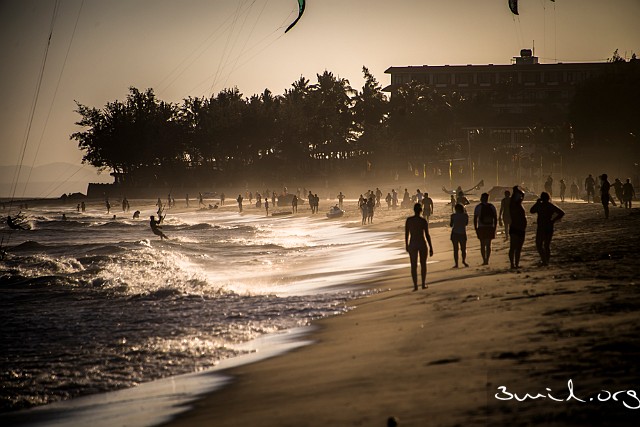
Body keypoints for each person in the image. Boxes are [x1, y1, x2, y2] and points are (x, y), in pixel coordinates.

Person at [530, 192, 564, 266]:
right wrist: (553, 220)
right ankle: (546, 261)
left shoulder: (540, 205)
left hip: (542, 227)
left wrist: (537, 203)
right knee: (546, 245)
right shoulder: (550, 205)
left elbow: (531, 210)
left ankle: (544, 260)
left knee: (539, 244)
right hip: (549, 226)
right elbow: (561, 213)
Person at [405, 203, 433, 290]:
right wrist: (431, 247)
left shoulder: (409, 220)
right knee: (423, 264)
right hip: (422, 243)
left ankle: (415, 286)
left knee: (413, 265)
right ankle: (423, 284)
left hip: (413, 243)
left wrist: (406, 244)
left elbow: (407, 234)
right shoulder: (423, 221)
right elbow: (427, 235)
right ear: (421, 211)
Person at [473, 192, 497, 265]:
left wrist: (476, 228)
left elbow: (475, 219)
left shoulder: (478, 207)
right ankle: (487, 260)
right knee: (488, 244)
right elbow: (495, 218)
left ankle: (484, 260)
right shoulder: (492, 206)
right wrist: (494, 227)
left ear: (481, 198)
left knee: (482, 245)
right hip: (490, 227)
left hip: (481, 227)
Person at [508, 186, 527, 269]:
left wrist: (519, 191)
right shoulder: (513, 205)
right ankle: (512, 264)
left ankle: (516, 264)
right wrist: (516, 190)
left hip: (521, 229)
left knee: (518, 248)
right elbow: (521, 194)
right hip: (515, 228)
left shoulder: (519, 204)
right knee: (513, 247)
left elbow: (523, 194)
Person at [450, 203, 469, 268]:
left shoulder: (453, 216)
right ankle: (463, 261)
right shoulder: (465, 215)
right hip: (462, 233)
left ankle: (456, 264)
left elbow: (451, 225)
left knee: (455, 249)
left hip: (455, 233)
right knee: (463, 249)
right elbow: (466, 224)